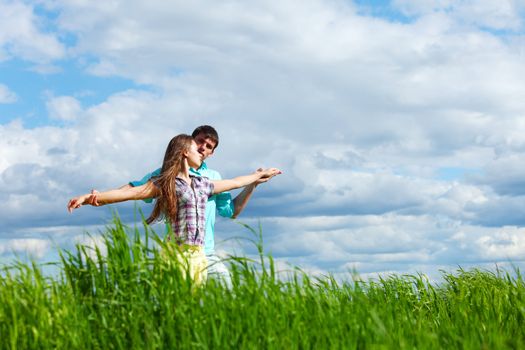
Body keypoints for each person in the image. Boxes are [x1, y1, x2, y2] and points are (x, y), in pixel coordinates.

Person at [67, 134, 281, 285]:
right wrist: (92, 197)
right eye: (196, 147)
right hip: (176, 254)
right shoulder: (165, 184)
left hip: (198, 255)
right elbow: (129, 192)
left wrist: (258, 176)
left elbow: (235, 182)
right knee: (175, 306)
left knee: (193, 309)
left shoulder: (202, 183)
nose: (201, 151)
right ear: (184, 153)